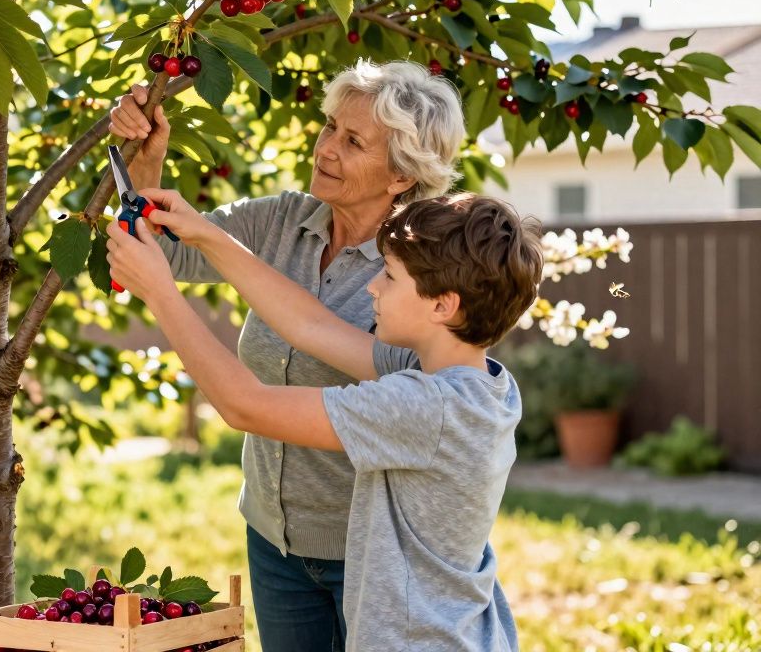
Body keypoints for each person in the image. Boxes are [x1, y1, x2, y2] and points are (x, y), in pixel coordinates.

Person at [107, 59, 464, 649]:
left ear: (402, 175)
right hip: (274, 539)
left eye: (353, 141)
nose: (326, 148)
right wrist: (145, 156)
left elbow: (277, 372)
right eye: (329, 127)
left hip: (371, 551)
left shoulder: (418, 271)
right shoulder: (281, 221)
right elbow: (167, 250)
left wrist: (165, 290)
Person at [105, 191, 543, 650]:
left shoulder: (423, 407)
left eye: (390, 277)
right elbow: (309, 325)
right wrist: (208, 235)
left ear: (442, 306)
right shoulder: (479, 381)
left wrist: (159, 291)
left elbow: (244, 405)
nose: (373, 287)